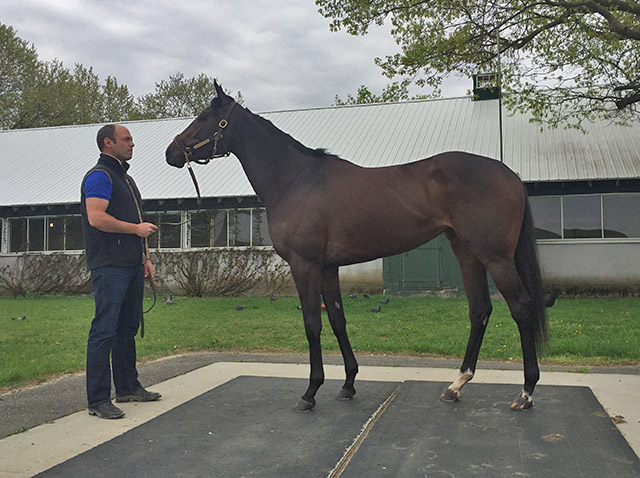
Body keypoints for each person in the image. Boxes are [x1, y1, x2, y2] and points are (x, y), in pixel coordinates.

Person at [80, 124, 161, 419]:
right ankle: (98, 400)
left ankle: (127, 388)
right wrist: (136, 230)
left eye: (131, 139)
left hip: (132, 264)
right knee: (104, 330)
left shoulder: (126, 179)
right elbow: (97, 217)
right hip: (109, 265)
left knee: (127, 329)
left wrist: (145, 258)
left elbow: (137, 221)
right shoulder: (100, 176)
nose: (132, 144)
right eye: (126, 139)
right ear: (107, 143)